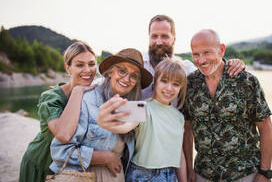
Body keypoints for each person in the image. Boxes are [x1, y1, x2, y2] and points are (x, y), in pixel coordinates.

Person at [181, 29, 272, 182]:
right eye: (196, 54)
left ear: (221, 50)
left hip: (245, 174)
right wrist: (189, 169)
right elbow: (187, 130)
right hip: (203, 174)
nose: (201, 60)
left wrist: (265, 172)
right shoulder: (190, 84)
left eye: (207, 52)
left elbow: (266, 128)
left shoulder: (246, 81)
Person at [49, 48, 153, 182]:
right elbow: (59, 152)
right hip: (85, 177)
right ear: (110, 72)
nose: (127, 79)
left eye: (134, 76)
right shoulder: (87, 100)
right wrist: (105, 157)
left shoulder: (133, 108)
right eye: (122, 71)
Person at [97, 57, 188, 182]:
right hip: (142, 175)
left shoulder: (179, 117)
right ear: (155, 81)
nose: (169, 88)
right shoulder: (142, 107)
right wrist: (104, 123)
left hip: (170, 175)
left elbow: (180, 154)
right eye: (164, 81)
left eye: (176, 84)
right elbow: (124, 127)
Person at [19, 41, 98, 182]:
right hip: (41, 164)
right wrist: (77, 92)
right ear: (68, 68)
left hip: (71, 168)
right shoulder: (51, 97)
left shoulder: (94, 92)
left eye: (91, 64)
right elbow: (64, 134)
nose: (88, 70)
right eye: (80, 65)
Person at [142, 15, 246, 100]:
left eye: (164, 36)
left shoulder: (185, 68)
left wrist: (233, 64)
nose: (159, 42)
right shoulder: (138, 64)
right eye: (154, 36)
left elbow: (211, 72)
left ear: (174, 39)